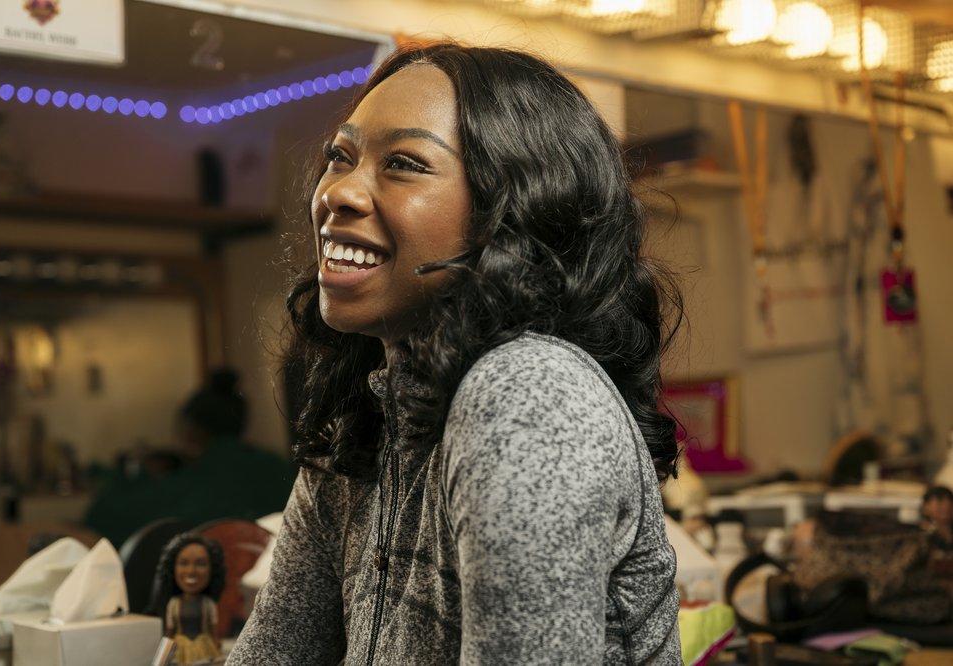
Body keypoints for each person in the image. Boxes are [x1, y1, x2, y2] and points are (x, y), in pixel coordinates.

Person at [229, 42, 683, 664]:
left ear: (512, 212)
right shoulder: (366, 419)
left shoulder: (530, 393)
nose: (339, 193)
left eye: (405, 164)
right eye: (342, 156)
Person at [83, 368, 298, 548]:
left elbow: (106, 515)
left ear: (194, 431)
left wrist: (135, 476)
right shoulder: (274, 464)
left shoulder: (202, 476)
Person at [147, 532, 226, 664]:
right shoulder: (174, 604)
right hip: (180, 647)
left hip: (204, 646)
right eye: (183, 563)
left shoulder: (208, 604)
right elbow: (170, 631)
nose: (191, 571)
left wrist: (216, 643)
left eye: (201, 564)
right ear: (172, 568)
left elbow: (213, 630)